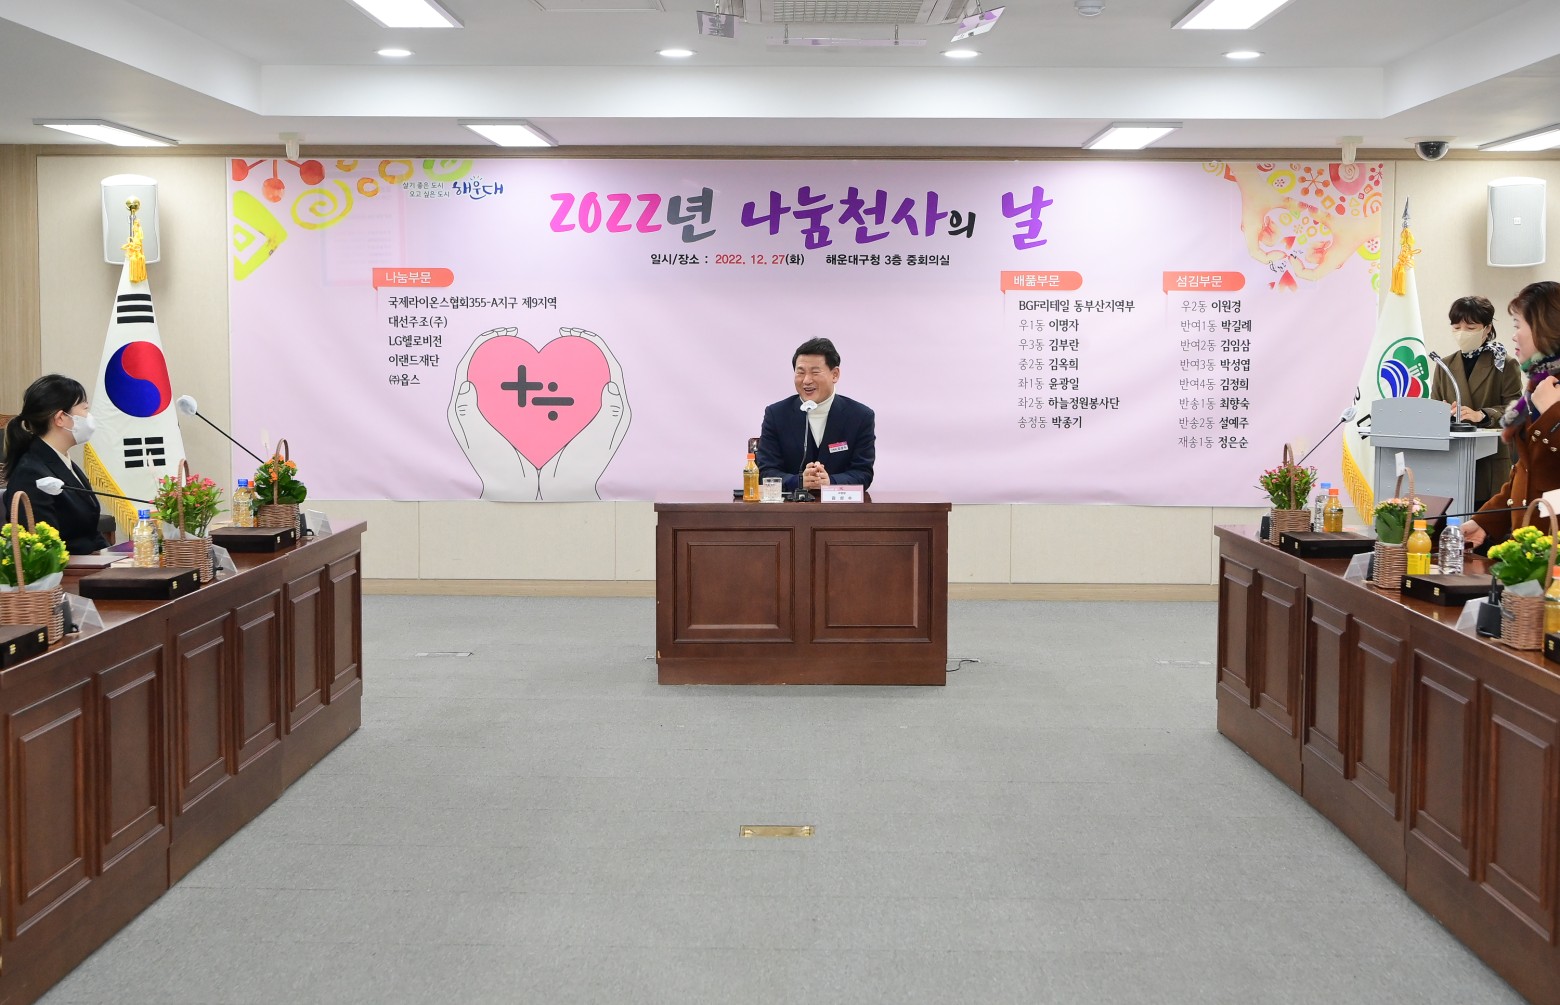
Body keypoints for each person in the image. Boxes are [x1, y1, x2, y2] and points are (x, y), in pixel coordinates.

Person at [1462, 282, 1560, 550]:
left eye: (1518, 325)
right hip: (1529, 546)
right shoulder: (1539, 385)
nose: (1514, 336)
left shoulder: (1548, 394)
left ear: (1544, 328)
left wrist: (1553, 414)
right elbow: (1527, 471)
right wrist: (1486, 521)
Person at [1429, 295, 1522, 507]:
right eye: (1456, 327)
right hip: (1452, 459)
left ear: (1487, 328)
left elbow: (1516, 409)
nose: (1462, 333)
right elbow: (1433, 405)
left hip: (1489, 463)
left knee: (1485, 520)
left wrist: (1482, 415)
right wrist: (1441, 412)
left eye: (1470, 328)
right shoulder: (1444, 365)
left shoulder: (1504, 363)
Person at [1, 374, 109, 554]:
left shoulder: (62, 460)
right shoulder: (31, 473)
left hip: (92, 563)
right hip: (68, 569)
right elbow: (44, 549)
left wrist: (117, 557)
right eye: (85, 409)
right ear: (60, 418)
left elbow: (89, 532)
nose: (89, 416)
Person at [755, 337, 874, 495]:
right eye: (800, 372)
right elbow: (765, 472)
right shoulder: (776, 414)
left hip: (839, 507)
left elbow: (863, 473)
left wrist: (830, 482)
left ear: (835, 374)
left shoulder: (860, 416)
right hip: (790, 507)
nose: (806, 380)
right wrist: (798, 481)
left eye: (815, 372)